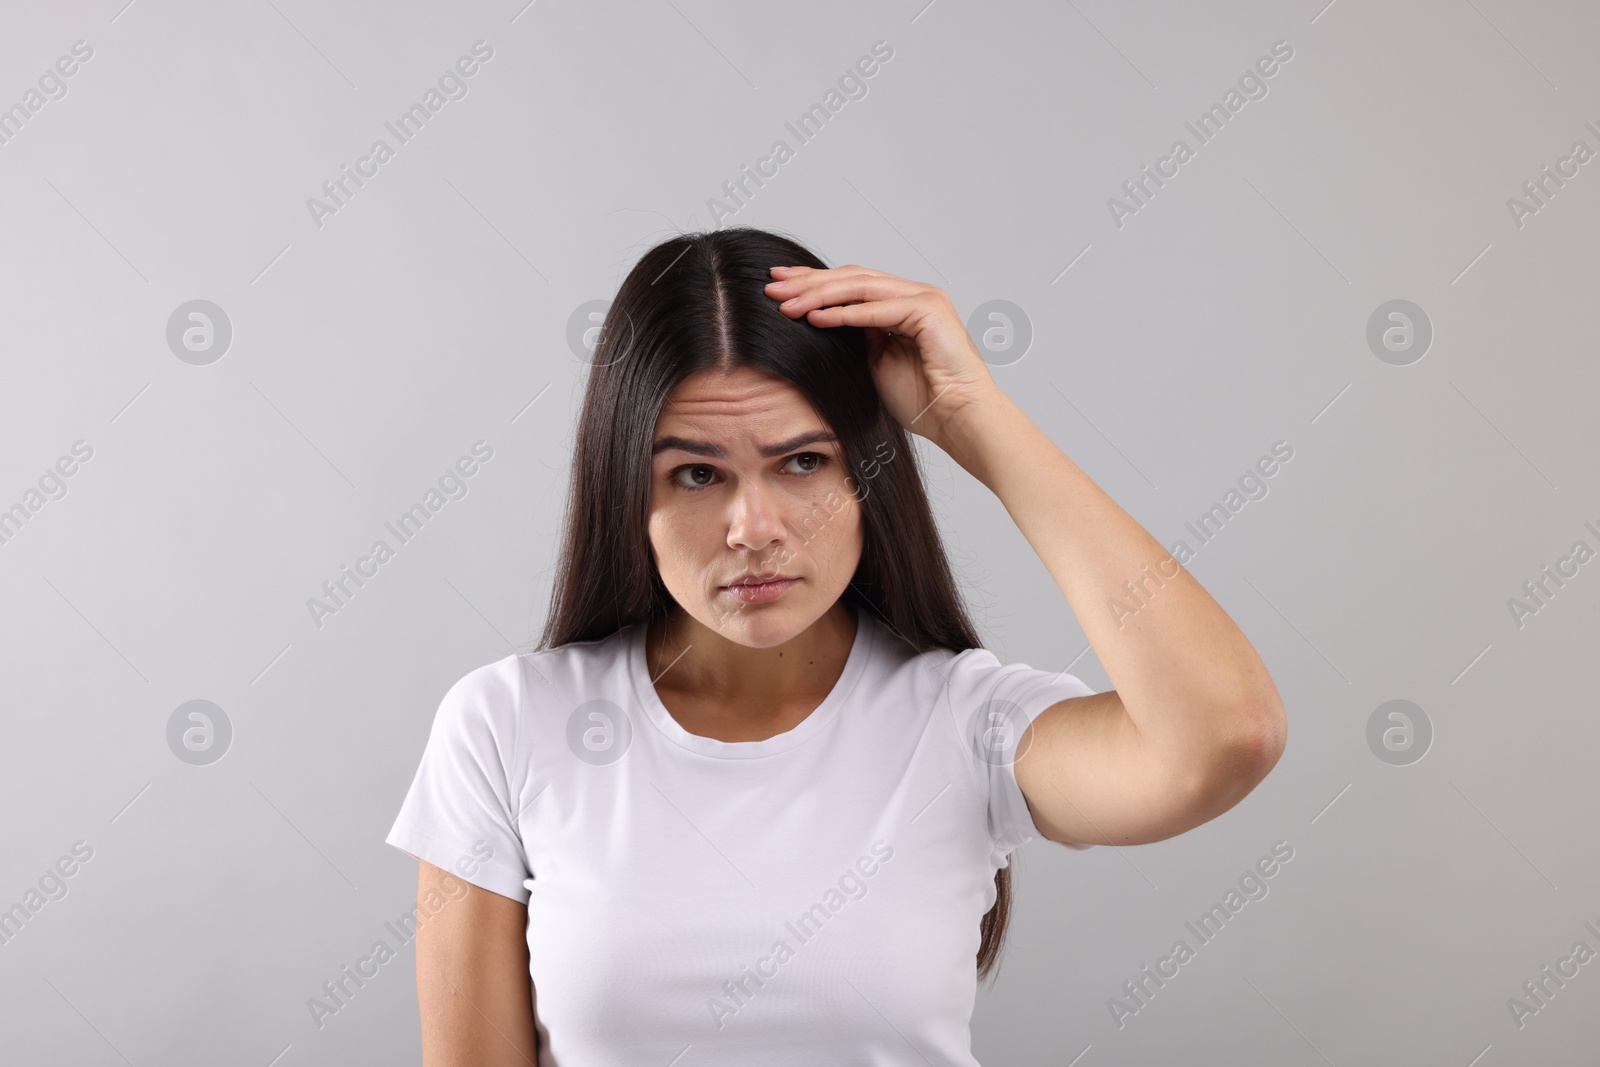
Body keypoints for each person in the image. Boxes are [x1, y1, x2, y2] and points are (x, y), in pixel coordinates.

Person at [385, 226, 1287, 1065]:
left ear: (867, 479)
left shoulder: (964, 720)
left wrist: (972, 415)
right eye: (697, 473)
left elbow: (1225, 734)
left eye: (804, 462)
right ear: (628, 492)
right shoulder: (506, 726)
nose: (754, 527)